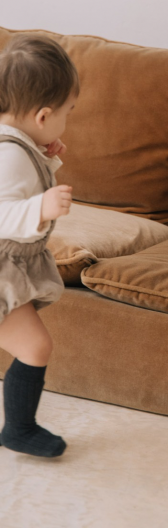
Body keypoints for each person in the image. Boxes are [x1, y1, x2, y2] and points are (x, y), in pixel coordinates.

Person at [0, 34, 79, 457]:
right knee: (34, 346)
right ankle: (19, 428)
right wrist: (40, 208)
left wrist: (46, 156)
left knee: (33, 345)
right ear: (44, 115)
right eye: (68, 112)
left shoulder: (18, 144)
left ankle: (20, 427)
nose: (69, 119)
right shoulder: (8, 155)